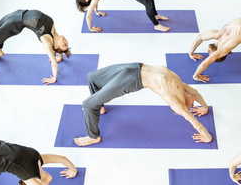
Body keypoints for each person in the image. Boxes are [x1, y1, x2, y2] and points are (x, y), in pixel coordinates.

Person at [74, 62, 212, 146]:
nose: (192, 103)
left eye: (190, 105)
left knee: (87, 104)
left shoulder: (178, 95)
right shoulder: (181, 94)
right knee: (92, 77)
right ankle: (100, 105)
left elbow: (195, 107)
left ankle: (93, 137)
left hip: (132, 79)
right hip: (135, 67)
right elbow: (195, 100)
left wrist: (207, 132)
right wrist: (205, 111)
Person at [0, 9, 71, 85]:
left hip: (14, 23)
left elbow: (54, 63)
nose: (66, 41)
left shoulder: (47, 41)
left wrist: (54, 78)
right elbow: (59, 50)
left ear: (56, 46)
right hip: (19, 13)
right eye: (67, 42)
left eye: (64, 44)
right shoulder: (54, 33)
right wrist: (60, 57)